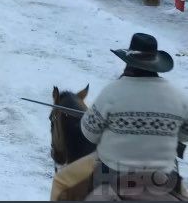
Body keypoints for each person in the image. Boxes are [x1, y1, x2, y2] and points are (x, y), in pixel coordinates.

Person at [62, 33, 188, 200]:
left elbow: (89, 133)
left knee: (64, 185)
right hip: (164, 178)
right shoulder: (178, 97)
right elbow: (184, 134)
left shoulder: (112, 92)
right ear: (156, 65)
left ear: (128, 62)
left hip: (112, 176)